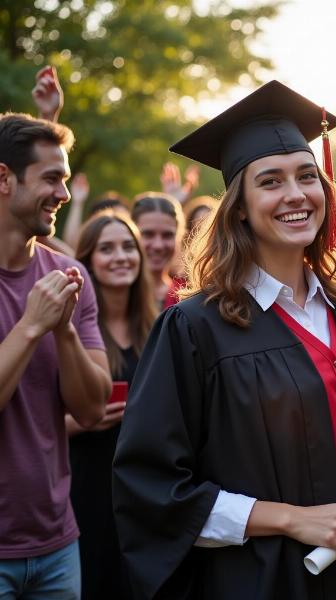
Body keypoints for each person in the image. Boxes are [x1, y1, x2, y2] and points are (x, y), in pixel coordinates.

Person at [113, 80, 336, 600]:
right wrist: (289, 519)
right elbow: (152, 489)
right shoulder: (196, 329)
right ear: (239, 207)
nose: (296, 195)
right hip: (265, 581)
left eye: (307, 177)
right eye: (270, 181)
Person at [0, 112, 111, 597]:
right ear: (4, 179)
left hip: (57, 545)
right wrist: (31, 326)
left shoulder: (68, 276)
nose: (63, 195)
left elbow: (91, 410)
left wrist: (63, 330)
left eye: (65, 181)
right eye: (51, 178)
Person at [67, 210, 157, 599]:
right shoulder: (72, 327)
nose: (121, 256)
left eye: (127, 247)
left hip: (142, 485)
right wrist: (81, 421)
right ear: (86, 261)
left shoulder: (159, 325)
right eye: (106, 249)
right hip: (84, 479)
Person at [131, 192, 184, 309]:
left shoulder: (187, 297)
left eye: (167, 235)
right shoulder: (115, 295)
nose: (158, 245)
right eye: (148, 234)